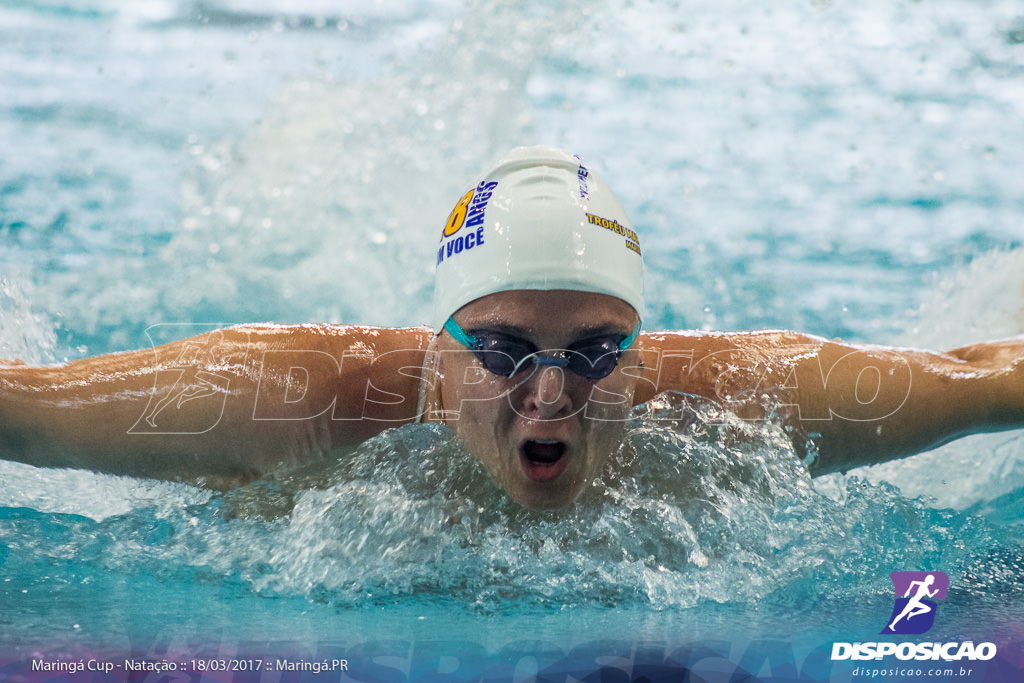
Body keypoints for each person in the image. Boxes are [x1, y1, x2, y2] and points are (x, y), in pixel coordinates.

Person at [1, 146, 1022, 509]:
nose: (549, 392)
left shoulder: (740, 400)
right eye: (500, 350)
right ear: (439, 349)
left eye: (593, 351)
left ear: (638, 350)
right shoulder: (286, 398)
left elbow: (983, 376)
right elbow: (28, 408)